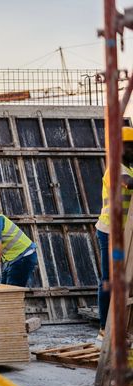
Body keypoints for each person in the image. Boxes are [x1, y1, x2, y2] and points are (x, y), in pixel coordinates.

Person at [95, 127, 133, 340]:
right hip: (110, 234)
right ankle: (103, 329)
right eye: (131, 146)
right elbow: (129, 184)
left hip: (125, 235)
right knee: (109, 279)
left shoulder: (128, 168)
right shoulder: (115, 169)